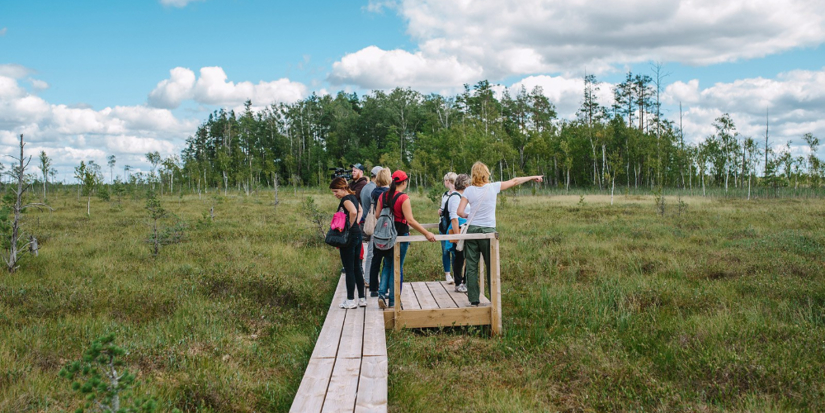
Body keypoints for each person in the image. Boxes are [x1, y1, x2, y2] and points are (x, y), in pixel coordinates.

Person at [457, 162, 542, 306]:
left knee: (471, 266)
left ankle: (474, 299)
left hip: (472, 231)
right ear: (486, 174)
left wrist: (468, 216)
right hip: (488, 231)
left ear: (473, 175)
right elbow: (515, 181)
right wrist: (533, 177)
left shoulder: (468, 190)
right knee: (491, 266)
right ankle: (493, 299)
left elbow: (459, 212)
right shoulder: (493, 187)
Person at [370, 170, 436, 308]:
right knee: (397, 267)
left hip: (386, 236)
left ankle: (381, 294)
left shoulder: (383, 195)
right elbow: (410, 220)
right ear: (404, 182)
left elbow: (377, 215)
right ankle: (393, 300)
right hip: (400, 236)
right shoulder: (403, 198)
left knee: (387, 265)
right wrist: (427, 233)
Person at [329, 177, 365, 309]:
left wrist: (348, 226)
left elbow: (354, 211)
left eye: (336, 191)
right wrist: (356, 223)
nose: (335, 194)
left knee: (349, 268)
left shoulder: (345, 199)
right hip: (357, 235)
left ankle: (350, 300)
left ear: (343, 188)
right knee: (357, 268)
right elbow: (360, 210)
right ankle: (362, 298)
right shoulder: (353, 197)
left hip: (349, 238)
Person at [363, 166, 388, 296]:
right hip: (382, 226)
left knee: (373, 256)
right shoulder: (383, 193)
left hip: (373, 224)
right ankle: (380, 286)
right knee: (382, 258)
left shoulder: (371, 190)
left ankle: (372, 285)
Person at [447, 174, 471, 293]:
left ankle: (465, 282)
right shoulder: (455, 197)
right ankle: (458, 283)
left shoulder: (462, 196)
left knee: (466, 257)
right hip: (459, 230)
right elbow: (454, 218)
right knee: (458, 258)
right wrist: (457, 237)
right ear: (465, 185)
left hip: (465, 229)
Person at [438, 172, 459, 284]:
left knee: (455, 251)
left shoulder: (457, 194)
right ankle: (447, 274)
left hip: (453, 225)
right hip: (444, 225)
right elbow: (442, 209)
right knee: (445, 251)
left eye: (446, 180)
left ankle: (456, 274)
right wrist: (440, 211)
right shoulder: (445, 195)